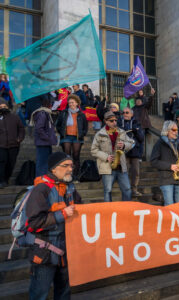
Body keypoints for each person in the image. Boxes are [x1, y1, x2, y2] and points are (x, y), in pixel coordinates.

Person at [26, 152, 81, 300]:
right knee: (40, 294)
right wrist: (61, 214)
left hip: (66, 250)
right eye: (66, 166)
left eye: (71, 165)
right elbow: (33, 223)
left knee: (64, 294)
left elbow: (81, 209)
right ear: (54, 169)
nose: (70, 169)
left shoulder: (70, 187)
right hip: (44, 252)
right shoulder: (41, 189)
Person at [91, 111, 133, 202]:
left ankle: (127, 211)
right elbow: (93, 150)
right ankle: (108, 213)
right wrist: (106, 157)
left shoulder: (121, 132)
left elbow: (132, 143)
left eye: (115, 120)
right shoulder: (99, 134)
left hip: (121, 167)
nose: (114, 122)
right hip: (107, 167)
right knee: (108, 191)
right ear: (106, 121)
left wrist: (125, 145)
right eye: (111, 121)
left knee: (127, 190)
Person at [150, 121, 179, 205]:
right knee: (169, 206)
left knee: (178, 206)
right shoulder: (159, 143)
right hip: (166, 179)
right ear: (167, 130)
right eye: (174, 129)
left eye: (177, 129)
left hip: (178, 179)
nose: (176, 131)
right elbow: (153, 161)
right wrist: (170, 166)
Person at [55, 95, 88, 180]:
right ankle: (66, 175)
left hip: (77, 138)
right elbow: (58, 125)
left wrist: (82, 134)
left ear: (77, 103)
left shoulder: (81, 114)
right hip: (66, 137)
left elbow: (85, 127)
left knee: (76, 156)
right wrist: (62, 132)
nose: (71, 104)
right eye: (69, 103)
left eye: (72, 102)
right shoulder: (64, 113)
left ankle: (76, 175)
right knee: (67, 156)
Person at [118, 107, 144, 197]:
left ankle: (134, 189)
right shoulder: (118, 123)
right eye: (123, 112)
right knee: (124, 172)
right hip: (123, 151)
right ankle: (126, 190)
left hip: (135, 152)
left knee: (136, 172)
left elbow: (141, 138)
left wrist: (135, 131)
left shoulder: (137, 123)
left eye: (127, 112)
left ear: (131, 114)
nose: (125, 114)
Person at [0, 98, 25, 188]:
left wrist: (20, 138)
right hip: (1, 146)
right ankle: (2, 180)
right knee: (2, 163)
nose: (3, 108)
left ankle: (6, 178)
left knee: (11, 163)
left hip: (14, 145)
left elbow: (21, 128)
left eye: (4, 106)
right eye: (1, 106)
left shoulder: (15, 117)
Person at [30, 97, 58, 177]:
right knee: (42, 162)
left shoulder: (46, 113)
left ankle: (43, 179)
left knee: (45, 162)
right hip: (43, 143)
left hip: (45, 142)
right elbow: (39, 128)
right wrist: (47, 138)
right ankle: (41, 180)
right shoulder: (43, 113)